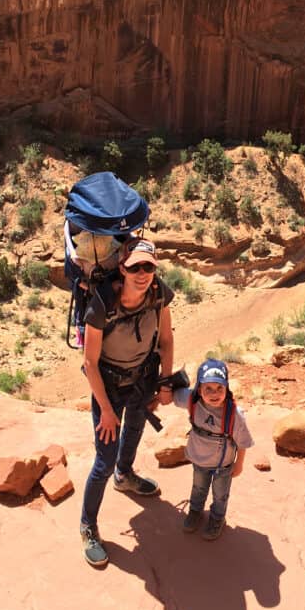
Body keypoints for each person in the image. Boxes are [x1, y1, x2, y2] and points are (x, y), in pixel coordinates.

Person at [79, 237, 175, 567]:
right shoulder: (103, 303)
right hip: (107, 384)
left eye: (148, 266)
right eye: (135, 266)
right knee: (103, 458)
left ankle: (126, 476)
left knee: (133, 431)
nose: (142, 273)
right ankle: (88, 526)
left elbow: (165, 338)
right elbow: (89, 363)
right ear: (122, 267)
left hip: (141, 379)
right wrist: (105, 411)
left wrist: (164, 380)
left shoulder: (159, 293)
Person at [160, 358, 254, 541]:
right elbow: (172, 395)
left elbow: (242, 442)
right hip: (200, 460)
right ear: (199, 389)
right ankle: (195, 511)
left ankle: (218, 518)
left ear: (227, 388)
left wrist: (239, 464)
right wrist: (164, 388)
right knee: (198, 488)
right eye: (208, 388)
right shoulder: (192, 400)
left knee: (220, 494)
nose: (214, 394)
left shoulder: (234, 415)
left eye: (219, 388)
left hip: (223, 465)